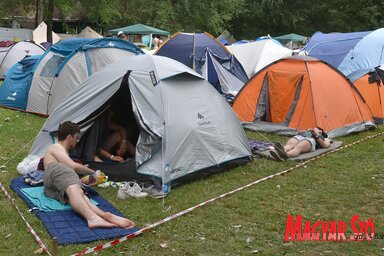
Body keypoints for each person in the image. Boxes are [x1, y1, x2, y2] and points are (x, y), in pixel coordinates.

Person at [43, 121, 135, 229]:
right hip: (55, 172)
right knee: (74, 189)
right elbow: (73, 166)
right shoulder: (56, 147)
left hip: (51, 183)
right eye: (76, 138)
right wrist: (93, 173)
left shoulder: (61, 152)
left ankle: (103, 215)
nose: (77, 141)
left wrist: (83, 180)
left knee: (79, 194)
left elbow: (64, 176)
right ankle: (92, 218)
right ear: (69, 137)